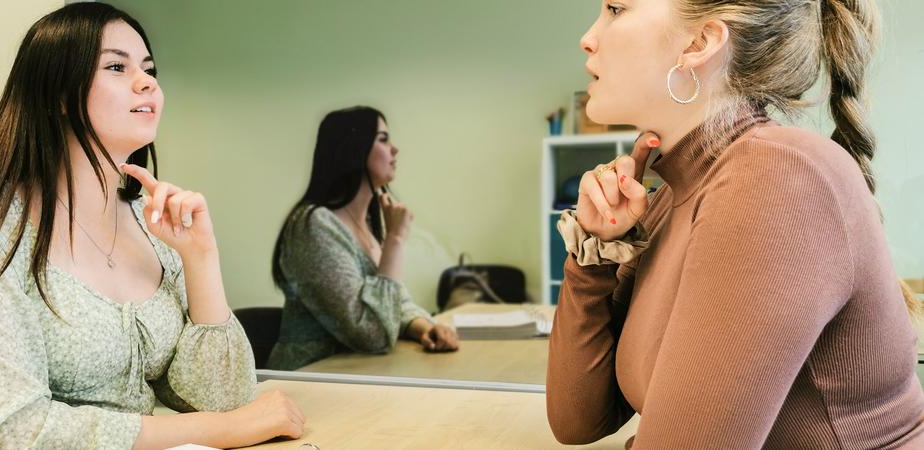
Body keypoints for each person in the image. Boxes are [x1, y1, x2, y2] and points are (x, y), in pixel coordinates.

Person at [0, 3, 304, 448]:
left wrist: (201, 258)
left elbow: (224, 400)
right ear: (57, 93)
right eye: (117, 66)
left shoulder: (148, 222)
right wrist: (215, 431)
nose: (147, 82)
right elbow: (8, 432)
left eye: (149, 69)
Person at [546, 0, 924, 448]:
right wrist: (596, 253)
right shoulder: (672, 193)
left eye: (615, 9)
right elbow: (578, 421)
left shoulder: (776, 176)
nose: (587, 37)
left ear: (700, 43)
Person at [268, 106, 459, 371]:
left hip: (355, 374)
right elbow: (373, 333)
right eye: (383, 139)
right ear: (353, 149)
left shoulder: (367, 222)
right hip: (309, 379)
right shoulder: (314, 226)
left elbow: (392, 305)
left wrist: (424, 327)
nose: (394, 149)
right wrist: (395, 239)